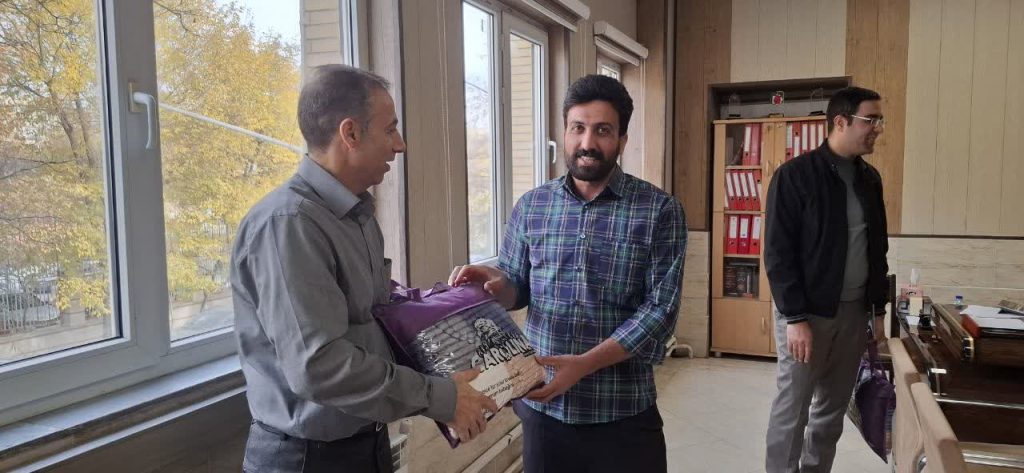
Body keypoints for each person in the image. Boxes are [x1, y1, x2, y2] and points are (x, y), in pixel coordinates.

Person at [230, 64, 497, 473]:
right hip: (307, 460)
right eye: (390, 130)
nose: (400, 145)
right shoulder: (288, 225)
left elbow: (372, 322)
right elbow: (319, 367)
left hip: (365, 445)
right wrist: (438, 397)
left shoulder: (357, 216)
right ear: (350, 133)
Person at [449, 74, 687, 473]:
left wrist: (585, 363)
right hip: (545, 410)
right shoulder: (532, 206)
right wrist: (493, 284)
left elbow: (660, 311)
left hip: (622, 410)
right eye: (578, 128)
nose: (587, 142)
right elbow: (517, 286)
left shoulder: (659, 210)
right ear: (564, 132)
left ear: (622, 139)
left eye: (603, 130)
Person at [763, 86, 890, 473]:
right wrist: (795, 317)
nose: (878, 129)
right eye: (871, 120)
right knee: (793, 411)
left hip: (854, 315)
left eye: (880, 120)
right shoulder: (795, 176)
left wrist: (878, 311)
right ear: (841, 121)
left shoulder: (870, 179)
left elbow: (878, 248)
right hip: (807, 316)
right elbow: (778, 254)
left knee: (831, 413)